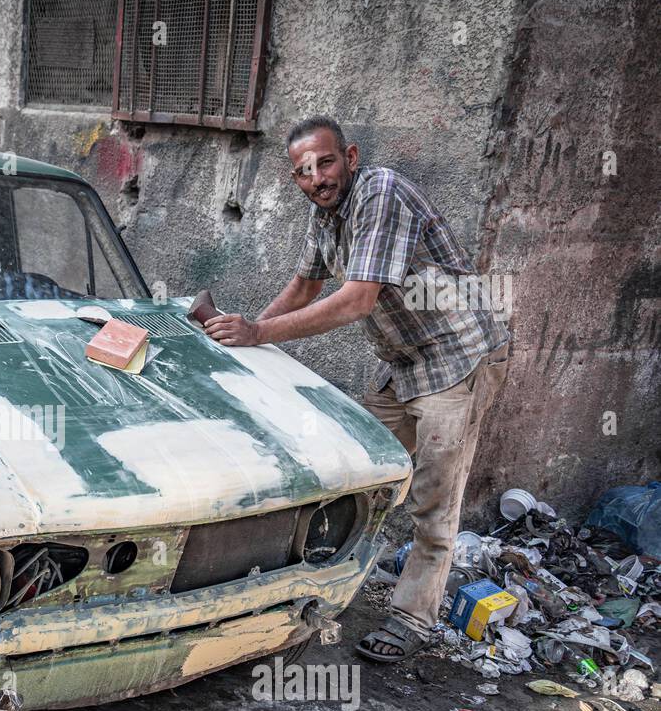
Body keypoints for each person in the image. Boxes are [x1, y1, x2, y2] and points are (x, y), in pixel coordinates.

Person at [203, 115, 511, 663]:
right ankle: (319, 579)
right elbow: (305, 284)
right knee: (354, 468)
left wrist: (259, 333)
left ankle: (411, 618)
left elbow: (356, 300)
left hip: (458, 358)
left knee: (433, 500)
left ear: (350, 155)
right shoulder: (325, 215)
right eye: (303, 171)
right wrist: (241, 333)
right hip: (404, 363)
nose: (317, 177)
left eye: (325, 162)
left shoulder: (380, 192)